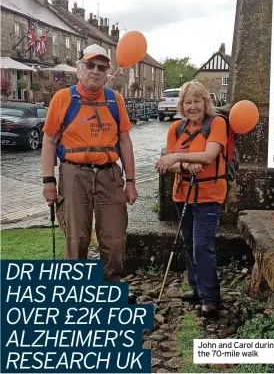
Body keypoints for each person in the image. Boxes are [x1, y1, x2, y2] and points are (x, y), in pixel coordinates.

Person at [42, 44, 138, 283]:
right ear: (79, 68)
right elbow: (50, 140)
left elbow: (125, 141)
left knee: (115, 236)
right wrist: (48, 181)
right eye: (90, 65)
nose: (96, 71)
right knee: (76, 237)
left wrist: (131, 181)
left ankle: (110, 285)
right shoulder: (63, 98)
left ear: (107, 72)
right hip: (74, 173)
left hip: (109, 174)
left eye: (102, 67)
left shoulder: (115, 100)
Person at [155, 80, 228, 318]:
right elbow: (170, 165)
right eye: (188, 102)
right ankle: (196, 288)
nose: (193, 106)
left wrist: (177, 156)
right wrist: (186, 164)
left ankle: (210, 297)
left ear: (206, 102)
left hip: (209, 194)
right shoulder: (175, 128)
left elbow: (209, 155)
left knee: (201, 246)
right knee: (189, 243)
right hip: (183, 193)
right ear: (182, 105)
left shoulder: (217, 123)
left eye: (197, 101)